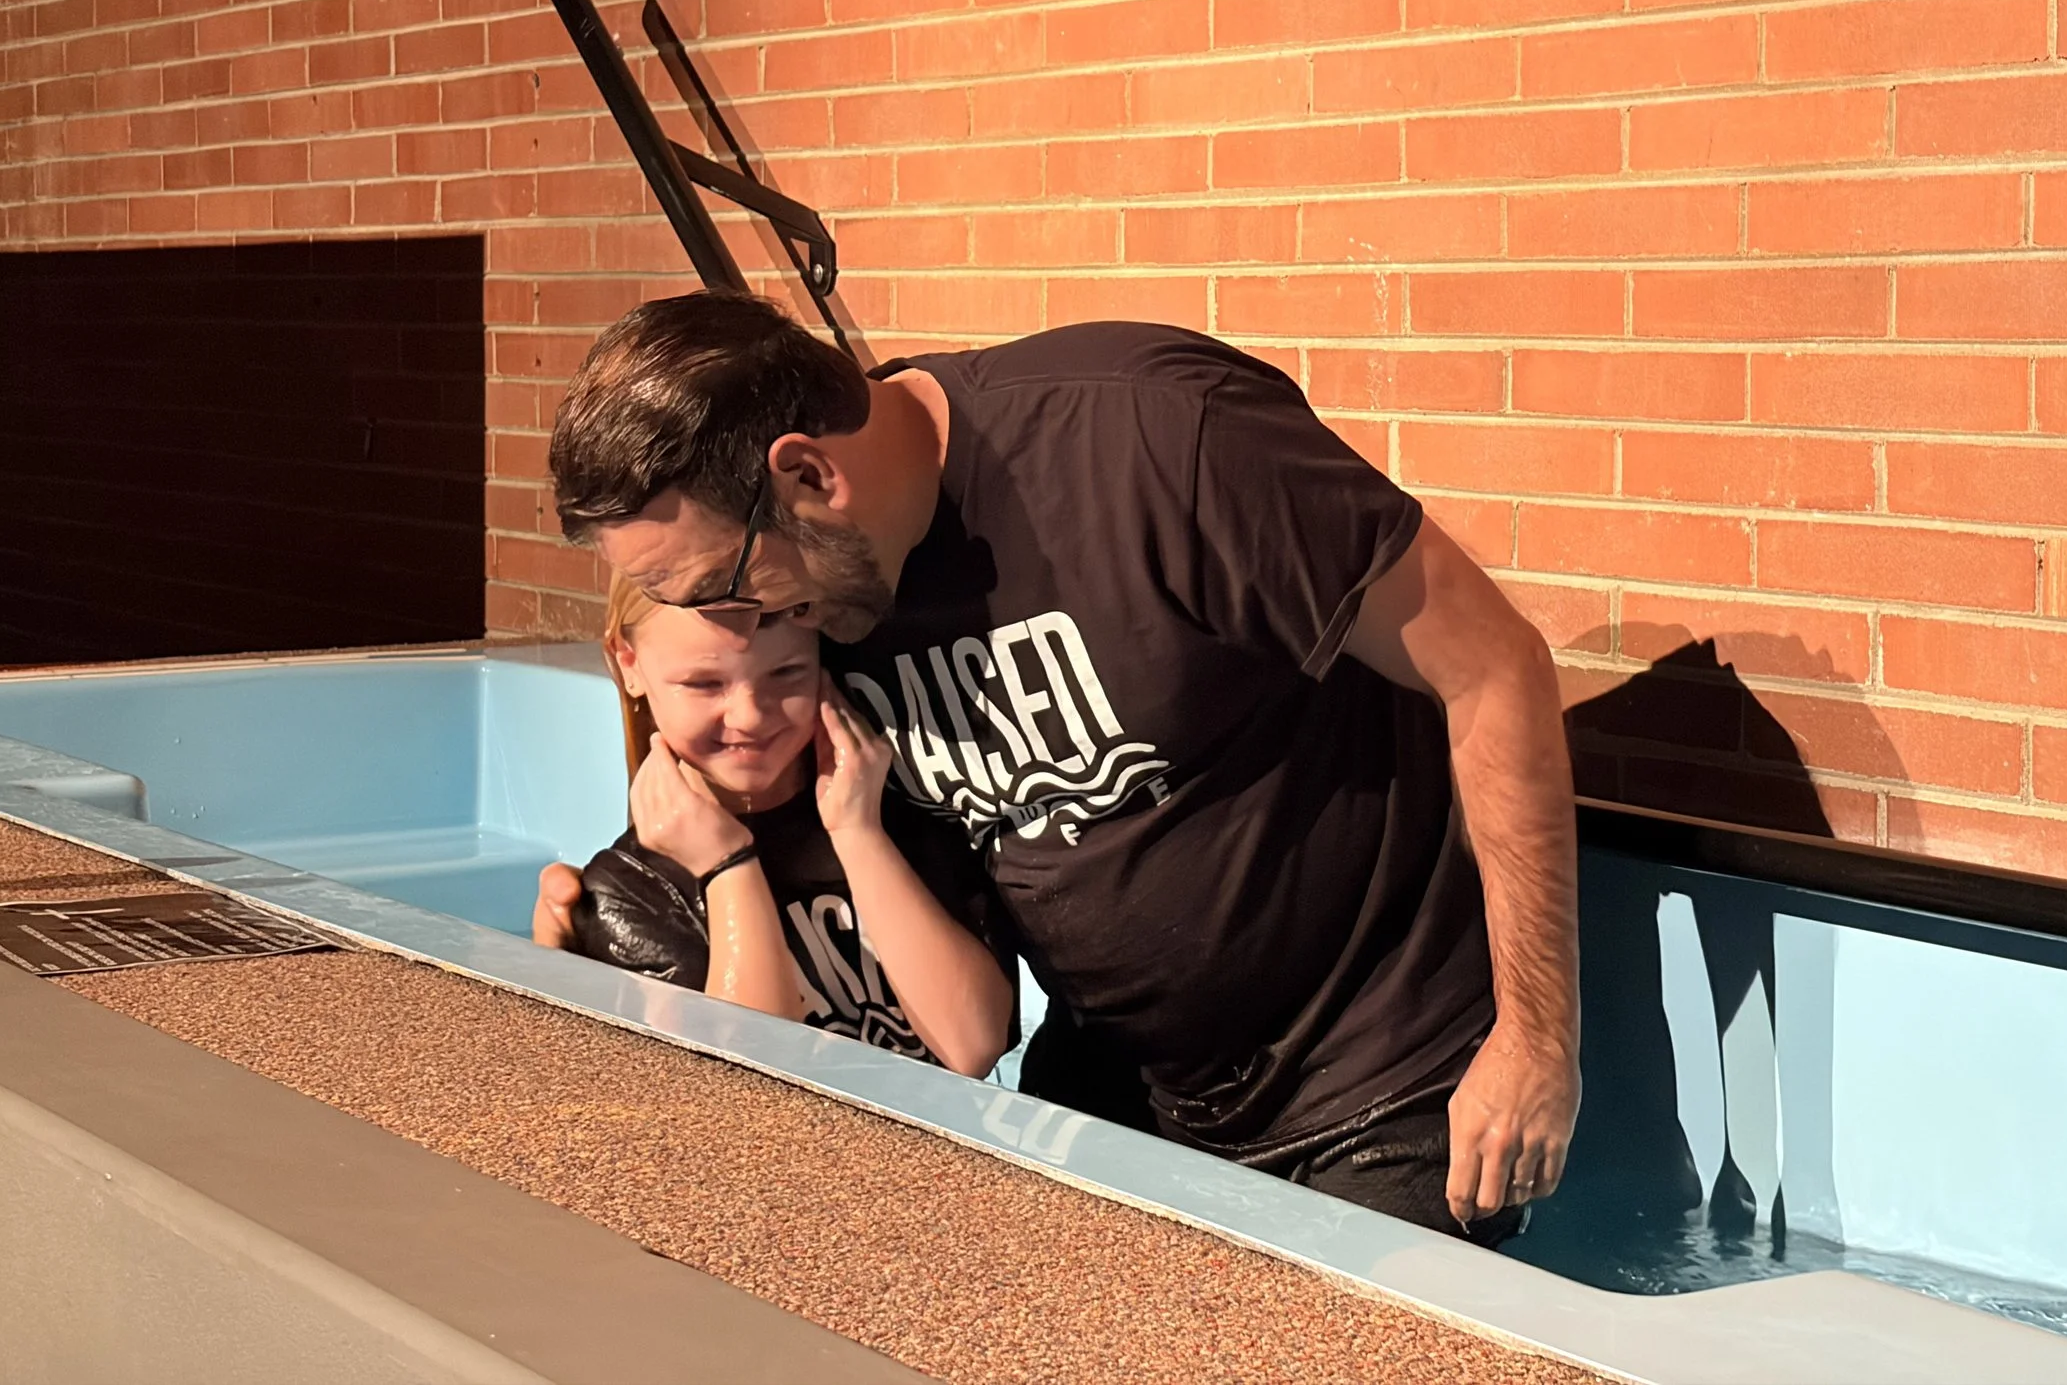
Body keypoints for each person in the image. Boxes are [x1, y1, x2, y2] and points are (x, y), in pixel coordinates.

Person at [539, 294, 1580, 1240]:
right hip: (1127, 1088)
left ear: (810, 475)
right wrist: (582, 971)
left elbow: (1495, 670)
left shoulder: (1155, 441)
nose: (740, 628)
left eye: (720, 586)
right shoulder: (829, 592)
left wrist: (1538, 1039)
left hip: (1380, 1085)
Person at [537, 569, 1014, 1077]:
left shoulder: (900, 816)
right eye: (703, 683)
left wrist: (857, 833)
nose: (749, 715)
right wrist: (728, 868)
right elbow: (744, 1094)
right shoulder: (629, 889)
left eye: (786, 673)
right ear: (628, 663)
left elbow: (974, 1048)